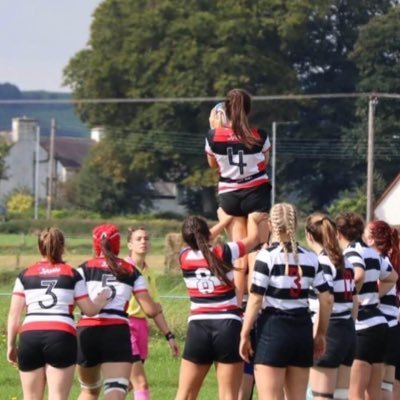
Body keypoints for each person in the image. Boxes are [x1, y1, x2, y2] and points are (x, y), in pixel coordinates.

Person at [240, 203, 333, 400]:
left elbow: (256, 298)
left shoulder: (266, 256)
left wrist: (244, 333)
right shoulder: (310, 258)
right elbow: (326, 299)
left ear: (271, 226)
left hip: (273, 328)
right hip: (302, 329)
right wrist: (321, 334)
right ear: (296, 224)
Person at [6, 227, 110, 400]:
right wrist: (102, 298)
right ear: (62, 247)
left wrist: (10, 345)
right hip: (61, 335)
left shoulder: (24, 275)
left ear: (40, 248)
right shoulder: (72, 274)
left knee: (30, 397)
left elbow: (13, 315)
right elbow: (89, 310)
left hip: (29, 336)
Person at [175, 208, 264, 400]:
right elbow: (254, 239)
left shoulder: (184, 257)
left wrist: (222, 223)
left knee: (185, 395)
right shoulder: (224, 251)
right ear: (207, 234)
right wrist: (252, 221)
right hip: (228, 326)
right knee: (228, 396)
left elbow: (199, 240)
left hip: (198, 326)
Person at [76, 224, 162, 400]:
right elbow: (150, 310)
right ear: (118, 244)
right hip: (116, 332)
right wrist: (157, 307)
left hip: (86, 331)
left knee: (89, 391)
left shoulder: (83, 268)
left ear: (96, 245)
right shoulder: (130, 270)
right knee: (115, 389)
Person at [205, 88, 272, 306]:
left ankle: (236, 304)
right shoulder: (260, 135)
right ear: (249, 110)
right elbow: (264, 163)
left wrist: (216, 130)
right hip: (257, 194)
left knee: (239, 251)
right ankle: (256, 306)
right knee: (257, 251)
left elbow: (213, 165)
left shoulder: (213, 136)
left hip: (230, 195)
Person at [335, 212, 398, 400]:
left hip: (362, 326)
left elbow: (359, 274)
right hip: (380, 324)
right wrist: (375, 295)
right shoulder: (372, 252)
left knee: (355, 392)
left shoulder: (351, 252)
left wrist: (353, 296)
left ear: (339, 233)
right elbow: (392, 277)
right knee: (374, 393)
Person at [305, 213, 357, 400]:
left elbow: (327, 301)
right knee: (341, 395)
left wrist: (318, 333)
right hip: (347, 329)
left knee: (321, 396)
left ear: (309, 236)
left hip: (330, 328)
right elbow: (355, 301)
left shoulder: (323, 262)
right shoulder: (347, 261)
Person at [125, 227, 179, 400]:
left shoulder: (150, 273)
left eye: (146, 238)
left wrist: (169, 335)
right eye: (139, 239)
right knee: (141, 383)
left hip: (142, 327)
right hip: (125, 326)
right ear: (129, 244)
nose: (143, 242)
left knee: (128, 384)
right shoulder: (122, 269)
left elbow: (156, 308)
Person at [363, 220, 400, 400]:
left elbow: (372, 295)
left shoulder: (376, 262)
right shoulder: (386, 260)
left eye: (365, 235)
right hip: (393, 327)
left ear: (371, 240)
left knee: (370, 387)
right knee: (386, 385)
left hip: (380, 328)